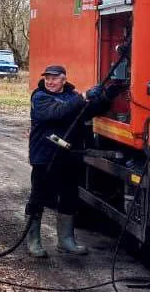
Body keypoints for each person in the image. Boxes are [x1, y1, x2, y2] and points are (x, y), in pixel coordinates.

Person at [25, 64, 122, 257]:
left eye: (54, 78)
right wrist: (84, 96)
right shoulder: (40, 97)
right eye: (47, 78)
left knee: (69, 196)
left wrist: (106, 97)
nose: (50, 82)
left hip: (68, 156)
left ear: (64, 79)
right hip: (44, 156)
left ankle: (66, 240)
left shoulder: (72, 96)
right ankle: (33, 241)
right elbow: (57, 112)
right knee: (39, 197)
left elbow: (87, 111)